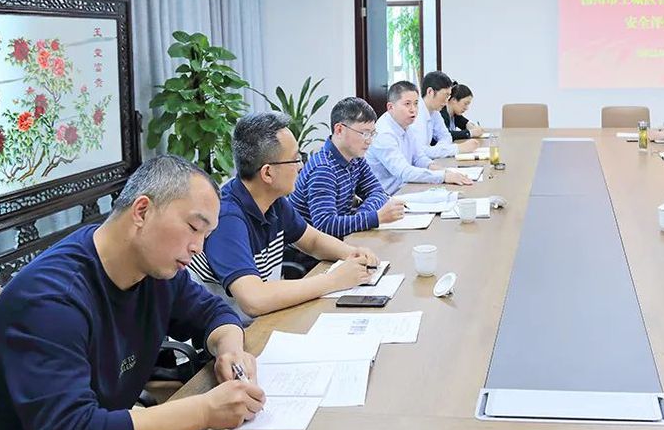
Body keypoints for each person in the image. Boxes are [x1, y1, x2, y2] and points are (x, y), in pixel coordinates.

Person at [0, 155, 266, 430]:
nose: (198, 248)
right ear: (142, 211)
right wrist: (205, 409)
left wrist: (230, 349)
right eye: (194, 228)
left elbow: (214, 312)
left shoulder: (155, 270)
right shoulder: (52, 300)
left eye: (206, 236)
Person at [188, 112, 379, 320]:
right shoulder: (226, 218)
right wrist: (333, 280)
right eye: (295, 159)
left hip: (268, 319)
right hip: (234, 333)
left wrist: (352, 253)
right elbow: (253, 300)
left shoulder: (274, 201)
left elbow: (312, 241)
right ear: (267, 173)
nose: (301, 166)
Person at [290, 96, 405, 238]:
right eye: (364, 133)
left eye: (372, 134)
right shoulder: (323, 169)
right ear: (339, 130)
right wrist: (375, 217)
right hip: (311, 250)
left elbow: (378, 193)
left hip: (343, 239)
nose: (369, 140)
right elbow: (325, 226)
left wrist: (362, 216)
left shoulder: (356, 159)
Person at [365, 81, 473, 195]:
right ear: (391, 107)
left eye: (416, 103)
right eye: (407, 104)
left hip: (407, 187)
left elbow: (418, 158)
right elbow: (404, 172)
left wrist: (440, 169)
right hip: (389, 196)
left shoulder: (406, 125)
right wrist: (443, 176)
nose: (413, 109)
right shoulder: (384, 133)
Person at [409, 70, 479, 159]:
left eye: (449, 96)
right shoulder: (417, 115)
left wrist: (441, 150)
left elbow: (446, 136)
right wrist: (458, 148)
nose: (447, 101)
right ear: (430, 92)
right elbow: (422, 152)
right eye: (446, 95)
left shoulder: (434, 112)